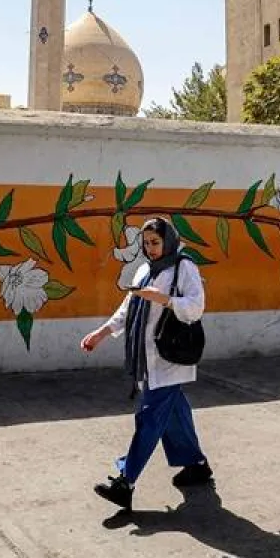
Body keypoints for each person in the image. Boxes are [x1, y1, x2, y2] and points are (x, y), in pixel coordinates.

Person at [81, 217, 211, 511]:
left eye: (155, 242)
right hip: (147, 359)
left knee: (149, 418)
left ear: (169, 240)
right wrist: (101, 333)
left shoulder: (184, 267)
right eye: (146, 243)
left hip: (169, 358)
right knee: (174, 412)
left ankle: (125, 482)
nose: (150, 248)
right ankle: (196, 465)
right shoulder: (143, 270)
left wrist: (165, 300)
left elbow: (195, 307)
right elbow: (128, 309)